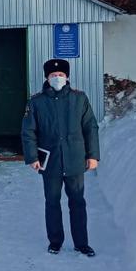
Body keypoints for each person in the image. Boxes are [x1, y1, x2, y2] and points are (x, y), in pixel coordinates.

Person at [21, 58, 100, 256]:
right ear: (47, 77)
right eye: (53, 75)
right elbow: (28, 131)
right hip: (51, 160)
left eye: (61, 75)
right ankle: (55, 241)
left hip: (75, 159)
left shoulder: (79, 98)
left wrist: (93, 155)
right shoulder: (36, 101)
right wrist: (32, 157)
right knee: (52, 201)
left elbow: (90, 127)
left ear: (67, 77)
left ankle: (82, 243)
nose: (57, 78)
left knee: (77, 202)